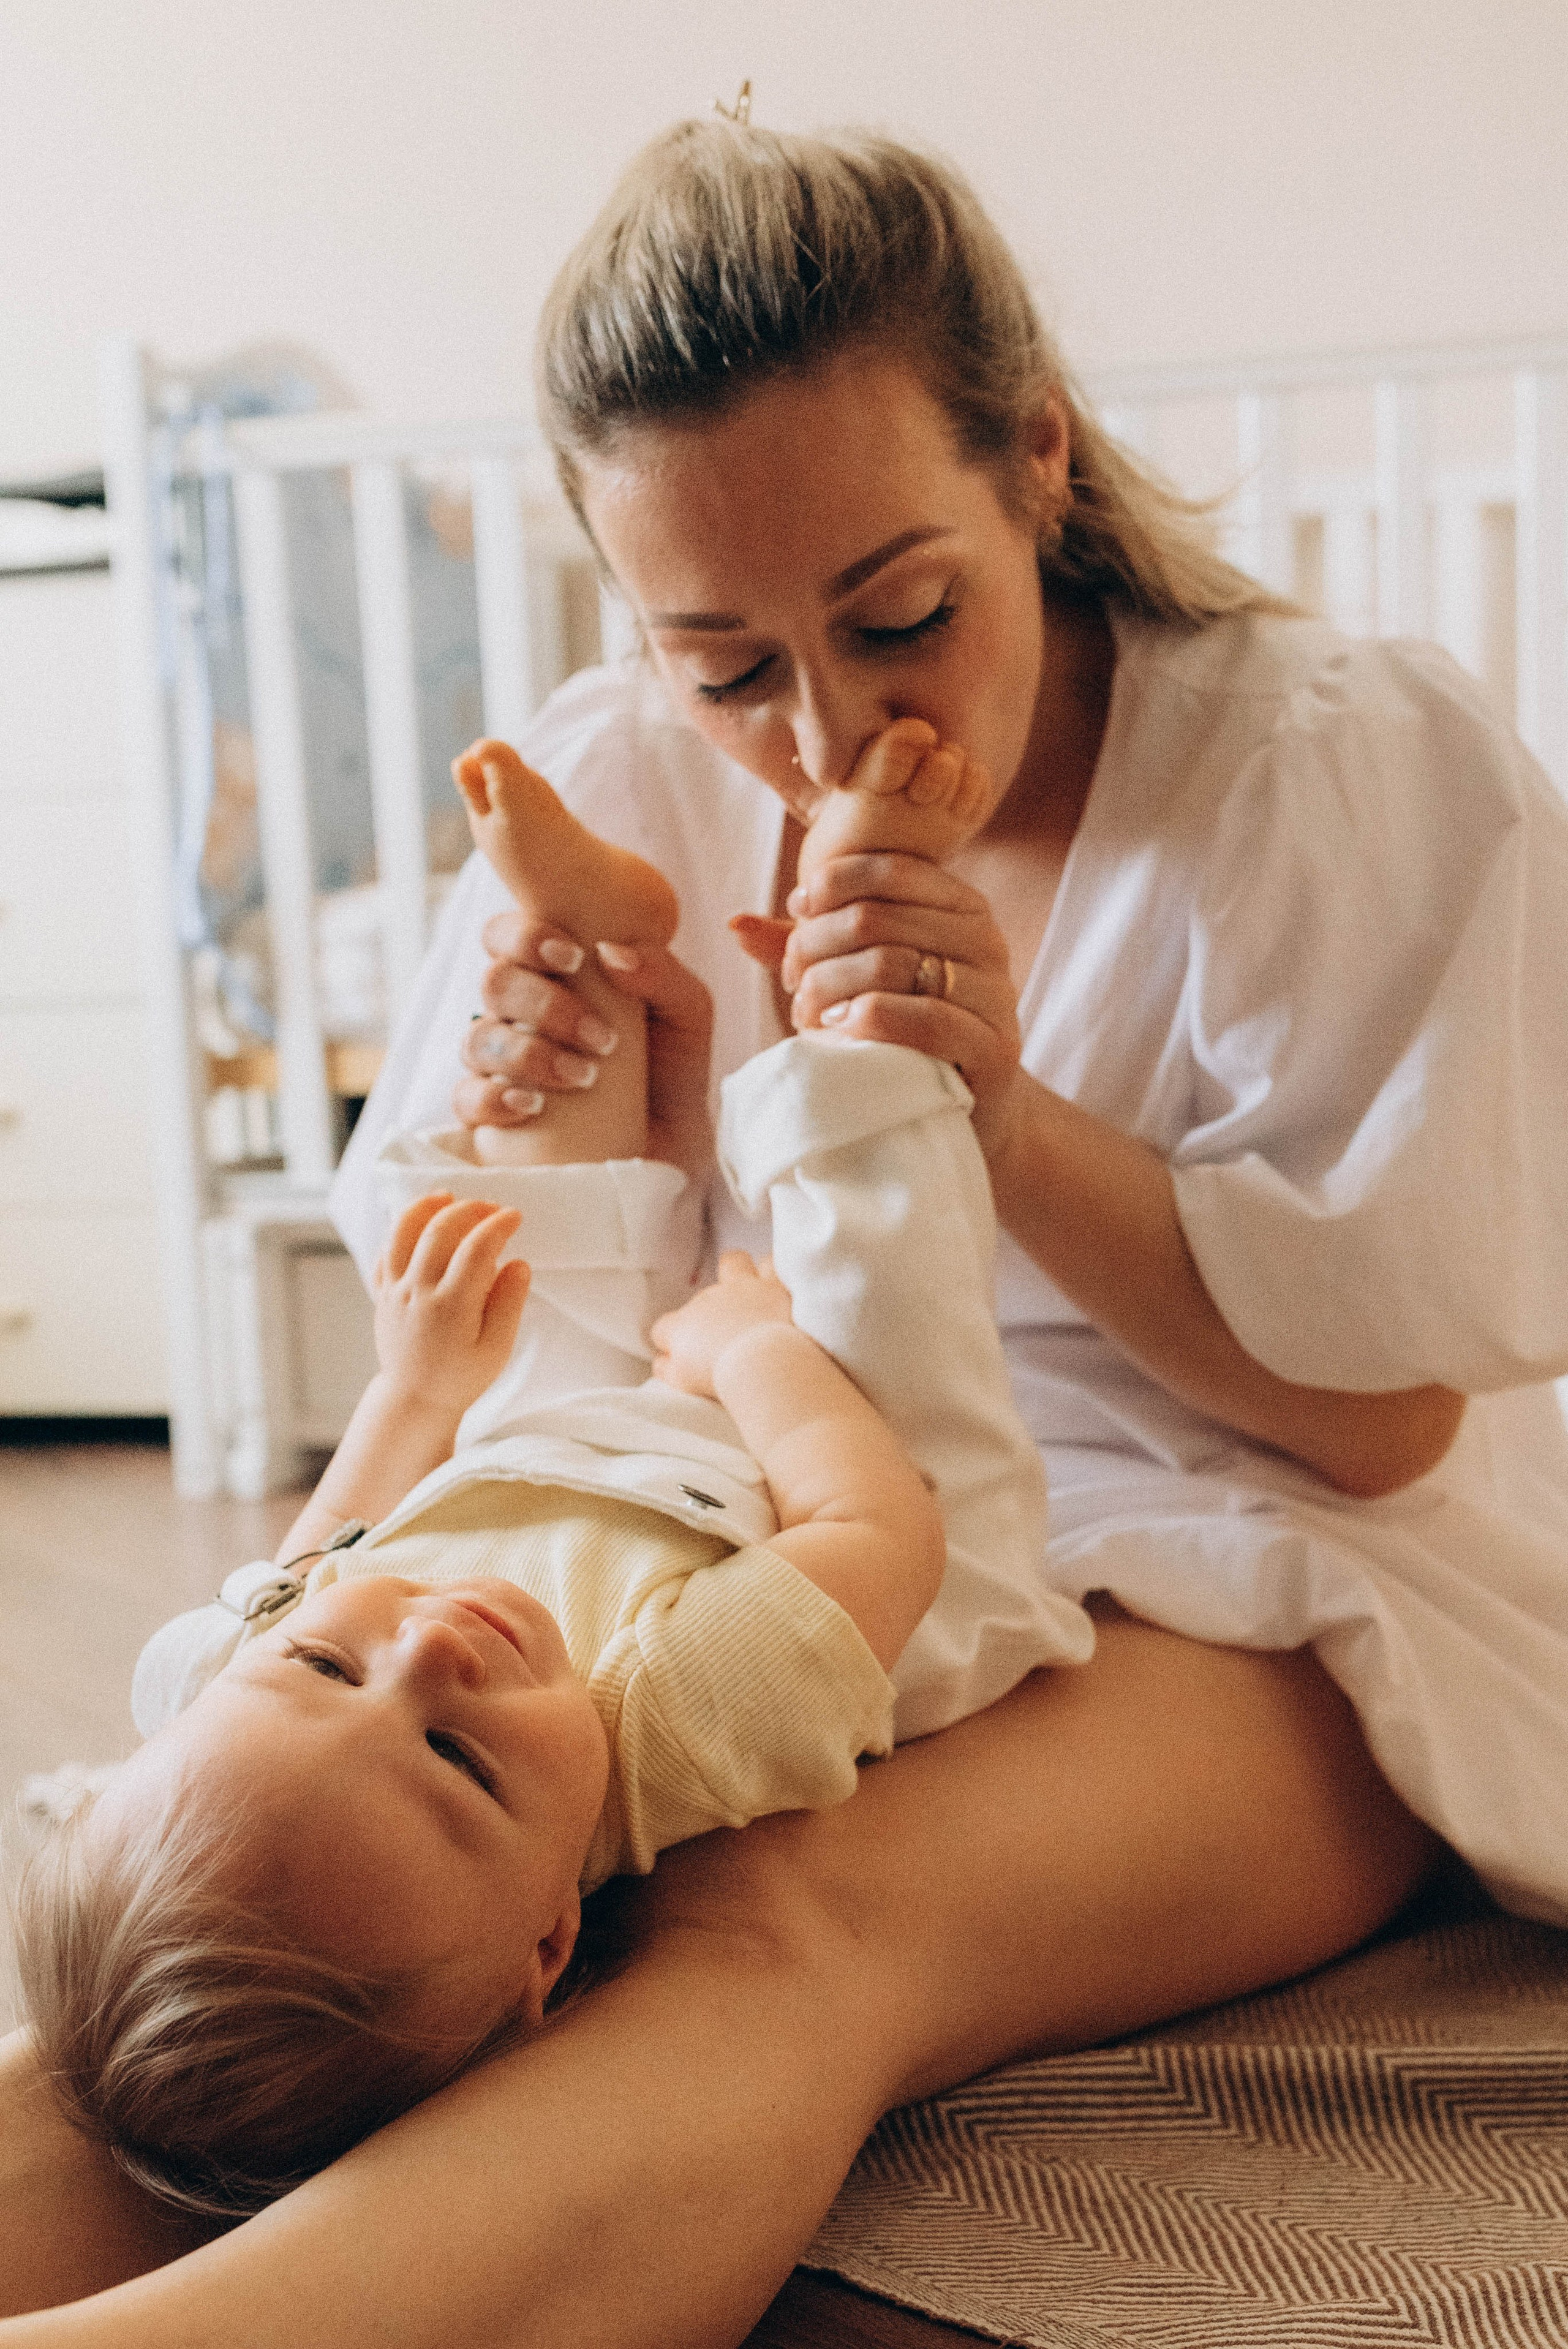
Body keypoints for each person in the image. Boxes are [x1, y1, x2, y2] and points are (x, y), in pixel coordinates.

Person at [2, 115, 1564, 2347]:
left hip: (1265, 1547)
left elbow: (1382, 1428)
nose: (825, 728)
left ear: (1038, 457)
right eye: (724, 663)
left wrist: (995, 1109)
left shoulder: (1332, 768)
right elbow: (599, 1322)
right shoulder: (617, 773)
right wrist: (571, 1094)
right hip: (737, 1492)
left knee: (756, 1908)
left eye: (900, 615)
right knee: (267, 1924)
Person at [16, 737, 1088, 2219]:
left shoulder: (234, 1699)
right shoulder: (679, 1717)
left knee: (524, 1245)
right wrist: (753, 1351)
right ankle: (865, 958)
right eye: (458, 1760)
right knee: (876, 1245)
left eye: (325, 1665)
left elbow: (319, 1558)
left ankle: (592, 945)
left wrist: (417, 1389)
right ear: (546, 1946)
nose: (429, 1651)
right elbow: (877, 1523)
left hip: (579, 1459)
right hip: (847, 1507)